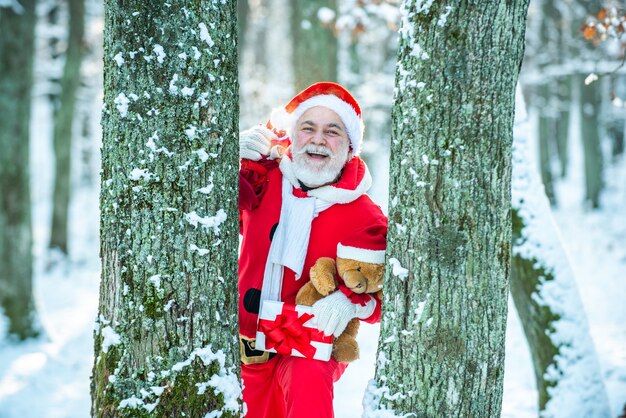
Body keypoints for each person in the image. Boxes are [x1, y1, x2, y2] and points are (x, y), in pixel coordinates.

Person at [238, 82, 388, 418]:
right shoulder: (265, 178)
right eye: (308, 128)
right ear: (294, 136)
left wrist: (350, 302)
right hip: (242, 342)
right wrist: (232, 163)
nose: (318, 139)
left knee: (307, 388)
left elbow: (384, 294)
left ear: (350, 147)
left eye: (332, 131)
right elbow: (215, 216)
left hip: (306, 348)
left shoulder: (364, 214)